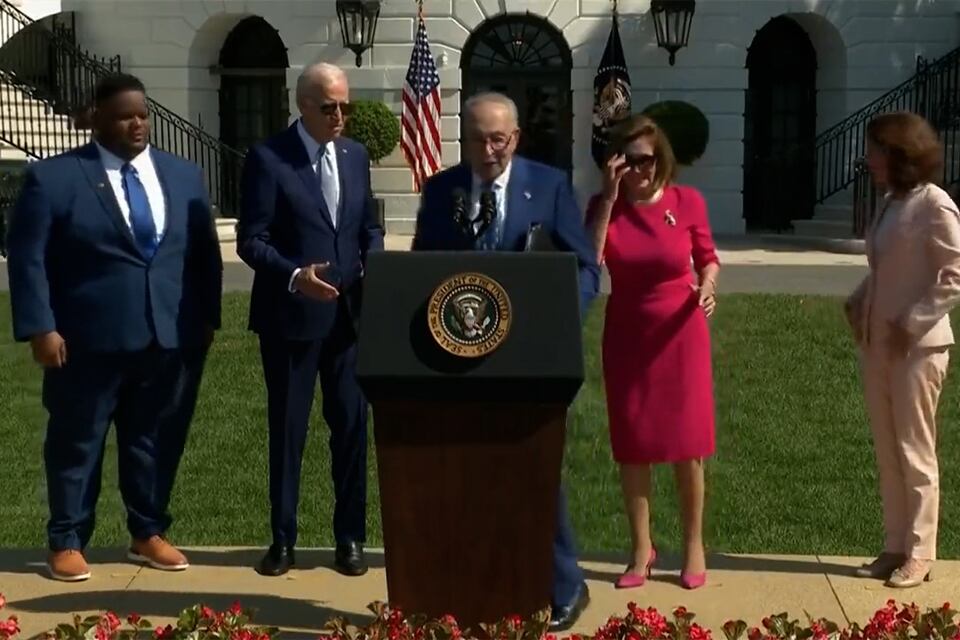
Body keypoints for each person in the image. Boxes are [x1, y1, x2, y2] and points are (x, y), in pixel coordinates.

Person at [5, 72, 222, 582]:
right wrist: (40, 328)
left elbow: (204, 256)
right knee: (77, 442)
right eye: (125, 116)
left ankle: (148, 532)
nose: (137, 124)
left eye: (143, 115)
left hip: (167, 337)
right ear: (97, 119)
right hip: (84, 341)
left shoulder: (184, 176)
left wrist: (206, 318)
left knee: (154, 440)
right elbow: (28, 258)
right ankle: (66, 539)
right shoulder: (55, 178)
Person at [411, 91, 601, 632]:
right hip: (458, 358)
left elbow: (586, 268)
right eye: (478, 139)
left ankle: (565, 584)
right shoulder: (443, 190)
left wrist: (560, 319)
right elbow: (422, 268)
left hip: (531, 356)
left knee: (535, 469)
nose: (489, 149)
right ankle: (478, 581)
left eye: (499, 139)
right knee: (466, 473)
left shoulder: (550, 186)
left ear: (515, 138)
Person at [236, 62, 384, 578]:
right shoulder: (268, 158)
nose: (340, 116)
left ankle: (350, 539)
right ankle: (283, 540)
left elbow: (367, 227)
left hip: (348, 319)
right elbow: (252, 240)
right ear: (302, 105)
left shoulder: (355, 155)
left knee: (351, 429)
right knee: (288, 432)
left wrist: (375, 260)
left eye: (346, 106)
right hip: (290, 320)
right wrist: (296, 275)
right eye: (329, 107)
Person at [585, 114, 719, 591]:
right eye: (629, 160)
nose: (639, 169)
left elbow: (708, 258)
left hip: (681, 333)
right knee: (633, 444)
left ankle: (694, 544)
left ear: (661, 159)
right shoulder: (605, 206)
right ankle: (641, 549)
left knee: (688, 445)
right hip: (628, 334)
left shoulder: (687, 202)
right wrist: (608, 197)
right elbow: (591, 259)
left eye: (647, 160)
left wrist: (707, 286)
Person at [845, 111, 960, 588]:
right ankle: (894, 546)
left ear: (899, 152)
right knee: (888, 450)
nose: (868, 159)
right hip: (878, 346)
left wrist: (910, 323)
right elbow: (888, 267)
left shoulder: (935, 204)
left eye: (875, 149)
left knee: (915, 449)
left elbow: (953, 274)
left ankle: (921, 552)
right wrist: (860, 299)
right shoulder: (892, 202)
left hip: (918, 350)